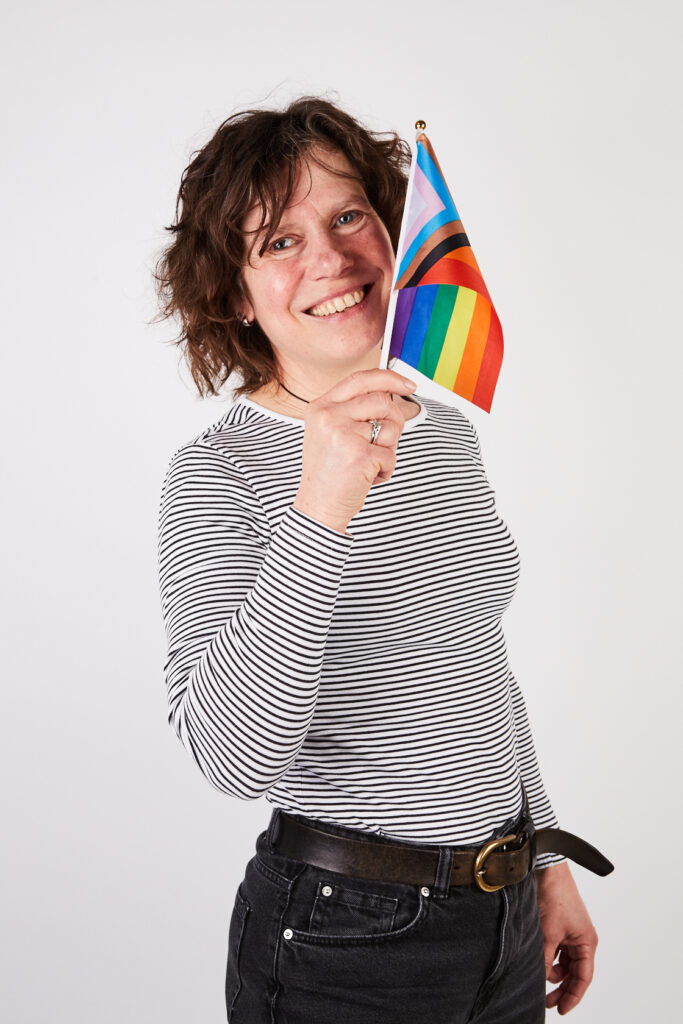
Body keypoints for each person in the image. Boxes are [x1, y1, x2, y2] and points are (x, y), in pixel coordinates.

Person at [155, 97, 609, 1023]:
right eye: (277, 241)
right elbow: (232, 756)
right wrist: (318, 508)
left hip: (504, 914)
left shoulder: (441, 432)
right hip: (344, 943)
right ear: (236, 294)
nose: (328, 259)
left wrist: (542, 863)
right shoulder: (217, 473)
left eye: (348, 216)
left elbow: (475, 664)